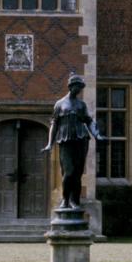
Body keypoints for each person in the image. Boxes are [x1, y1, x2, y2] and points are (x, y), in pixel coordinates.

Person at [42, 74, 105, 209]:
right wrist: (49, 144)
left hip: (81, 140)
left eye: (81, 88)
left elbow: (89, 121)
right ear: (71, 87)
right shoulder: (59, 104)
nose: (80, 90)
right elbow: (54, 124)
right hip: (65, 141)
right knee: (68, 172)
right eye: (78, 87)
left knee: (77, 173)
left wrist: (97, 135)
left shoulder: (81, 105)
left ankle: (74, 201)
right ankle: (65, 200)